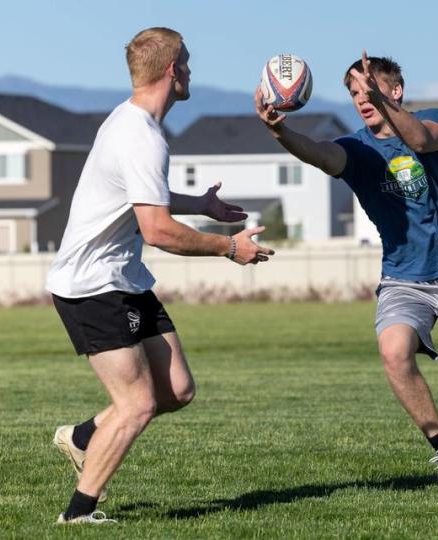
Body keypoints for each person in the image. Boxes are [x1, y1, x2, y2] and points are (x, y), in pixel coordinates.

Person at [255, 52, 438, 493]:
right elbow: (321, 155)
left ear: (394, 91)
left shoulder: (435, 121)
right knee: (394, 352)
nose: (363, 100)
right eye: (356, 94)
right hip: (403, 278)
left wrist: (386, 105)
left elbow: (420, 140)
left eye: (371, 90)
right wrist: (278, 129)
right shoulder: (358, 149)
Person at [48, 27, 274, 524]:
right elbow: (156, 230)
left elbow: (146, 196)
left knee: (176, 390)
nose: (191, 71)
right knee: (136, 404)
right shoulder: (140, 135)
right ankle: (78, 514)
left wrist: (202, 205)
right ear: (173, 71)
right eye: (187, 63)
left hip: (123, 277)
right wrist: (228, 247)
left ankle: (84, 437)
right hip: (91, 286)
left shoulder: (135, 125)